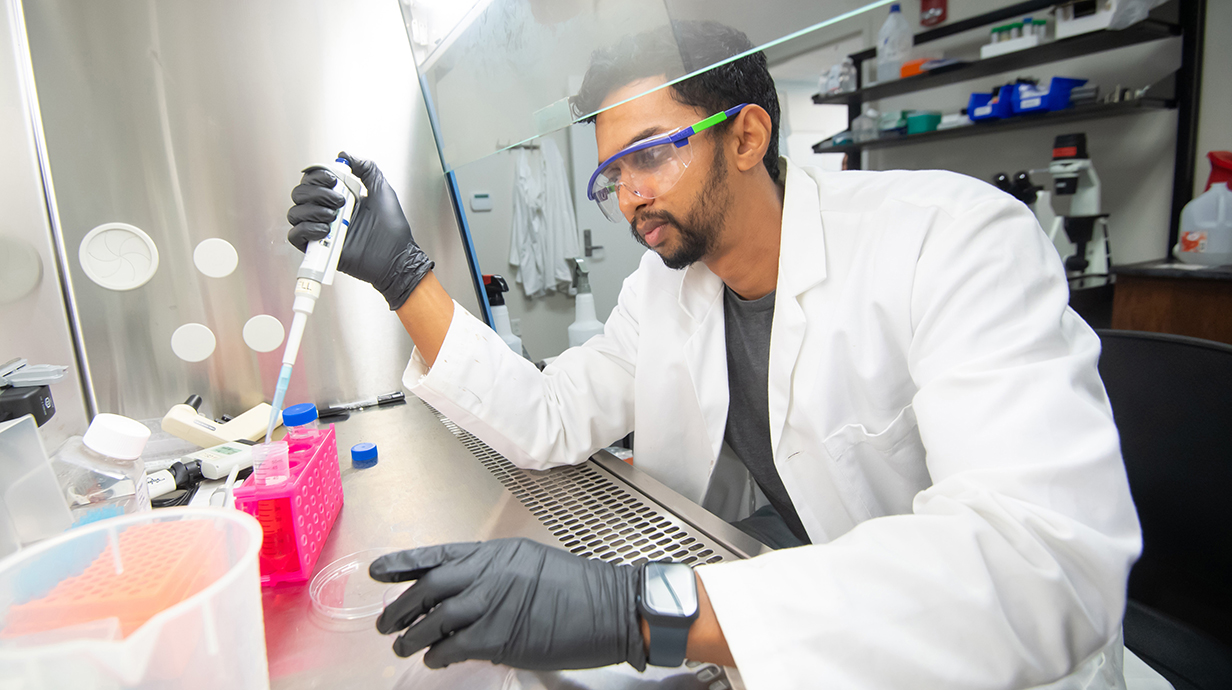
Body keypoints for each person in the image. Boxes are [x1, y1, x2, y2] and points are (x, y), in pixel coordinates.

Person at [287, 21, 1141, 689]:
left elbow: (1045, 570)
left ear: (745, 137)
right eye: (611, 175)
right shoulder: (664, 291)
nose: (628, 196)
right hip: (796, 619)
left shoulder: (952, 241)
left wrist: (640, 608)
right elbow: (547, 419)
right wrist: (405, 277)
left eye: (650, 154)